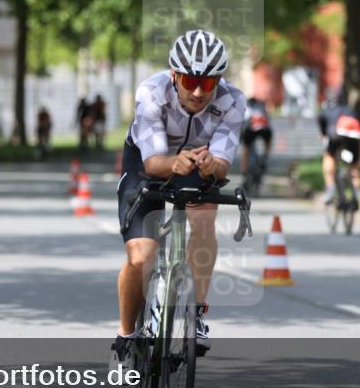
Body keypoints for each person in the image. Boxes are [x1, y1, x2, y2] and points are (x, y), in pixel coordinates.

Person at [112, 29, 245, 366]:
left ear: (219, 81)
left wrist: (212, 166)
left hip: (196, 163)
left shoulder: (232, 100)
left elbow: (223, 163)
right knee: (141, 257)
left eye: (208, 83)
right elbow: (154, 162)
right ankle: (126, 335)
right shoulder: (152, 92)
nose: (199, 91)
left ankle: (195, 313)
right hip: (147, 161)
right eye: (190, 81)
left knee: (205, 219)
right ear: (174, 75)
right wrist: (174, 163)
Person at [317, 90, 360, 209]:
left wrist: (324, 137)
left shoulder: (326, 111)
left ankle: (331, 190)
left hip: (335, 135)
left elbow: (323, 131)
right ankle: (356, 196)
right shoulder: (349, 110)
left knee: (329, 157)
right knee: (354, 166)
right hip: (353, 135)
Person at [239, 96, 272, 177]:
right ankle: (265, 157)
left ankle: (244, 171)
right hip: (264, 129)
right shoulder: (262, 106)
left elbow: (242, 123)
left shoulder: (245, 107)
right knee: (268, 140)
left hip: (249, 130)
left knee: (246, 148)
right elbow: (268, 121)